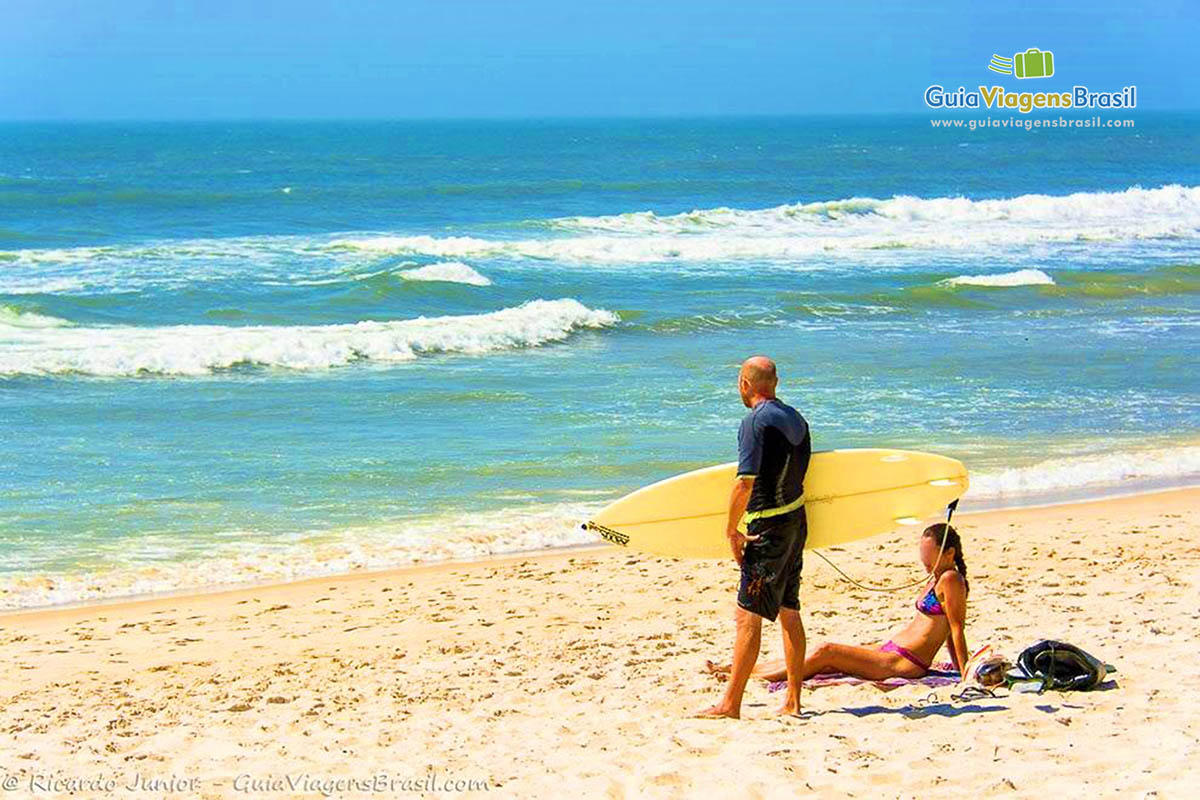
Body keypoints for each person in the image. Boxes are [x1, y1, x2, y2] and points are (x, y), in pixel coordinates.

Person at [706, 523, 971, 684]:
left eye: (930, 555)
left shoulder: (951, 579)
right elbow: (945, 629)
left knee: (826, 651)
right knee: (827, 660)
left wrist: (964, 673)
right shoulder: (937, 576)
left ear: (949, 553)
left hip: (904, 662)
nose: (924, 560)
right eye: (922, 554)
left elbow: (956, 630)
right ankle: (740, 670)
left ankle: (749, 678)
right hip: (892, 649)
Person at [696, 356, 811, 719]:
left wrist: (732, 530)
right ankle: (792, 701)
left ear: (745, 384)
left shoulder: (754, 423)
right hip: (796, 520)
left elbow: (745, 481)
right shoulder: (796, 417)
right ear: (775, 382)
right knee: (789, 610)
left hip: (767, 530)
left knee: (748, 615)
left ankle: (730, 704)